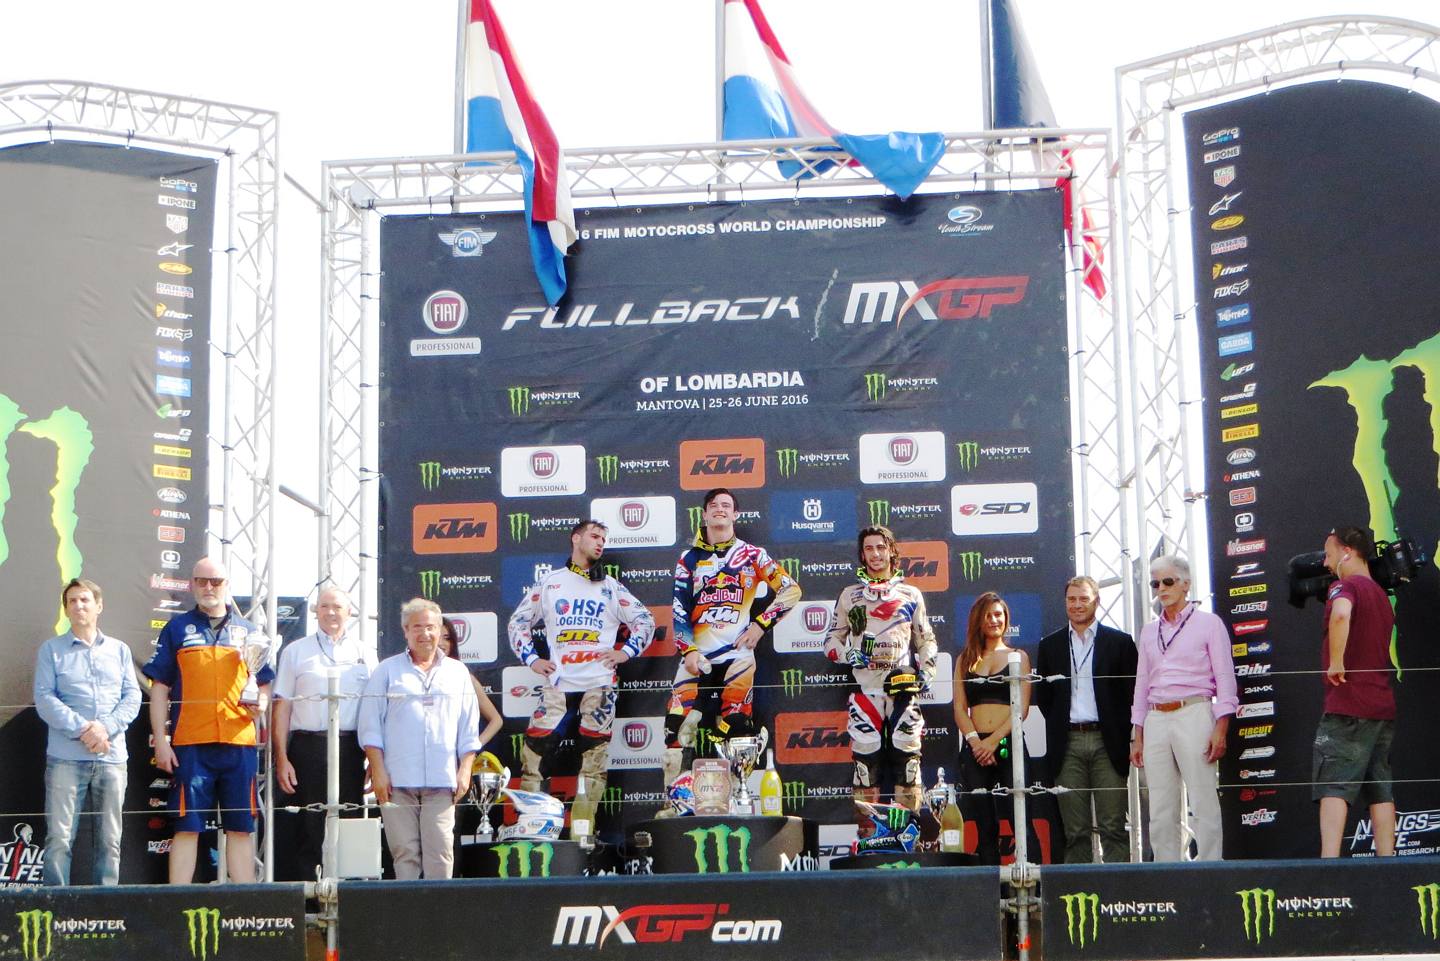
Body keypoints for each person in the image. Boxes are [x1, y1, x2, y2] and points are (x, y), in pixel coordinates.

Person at [143, 556, 272, 884]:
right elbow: (159, 687)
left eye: (216, 581)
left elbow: (264, 683)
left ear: (227, 585)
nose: (209, 587)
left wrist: (261, 702)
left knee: (240, 828)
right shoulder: (177, 628)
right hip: (191, 745)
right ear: (192, 585)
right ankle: (177, 902)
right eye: (202, 581)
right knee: (187, 827)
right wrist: (161, 740)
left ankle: (245, 904)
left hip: (238, 743)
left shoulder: (249, 632)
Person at [663, 488, 801, 789]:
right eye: (713, 505)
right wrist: (688, 650)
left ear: (735, 515)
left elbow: (791, 590)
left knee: (737, 729)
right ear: (704, 514)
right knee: (675, 729)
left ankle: (737, 798)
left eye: (726, 505)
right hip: (697, 655)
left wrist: (760, 625)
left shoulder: (752, 555)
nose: (720, 509)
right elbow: (679, 608)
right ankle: (673, 803)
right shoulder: (688, 559)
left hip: (738, 656)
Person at [507, 520, 654, 801]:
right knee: (536, 751)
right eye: (595, 536)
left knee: (594, 759)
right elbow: (518, 622)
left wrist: (626, 652)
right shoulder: (551, 582)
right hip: (559, 681)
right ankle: (533, 818)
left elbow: (645, 621)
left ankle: (584, 824)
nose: (600, 543)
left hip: (600, 682)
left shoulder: (610, 586)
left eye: (603, 540)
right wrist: (532, 658)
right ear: (576, 538)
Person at [358, 598, 480, 879]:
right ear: (405, 631)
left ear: (439, 630)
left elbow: (469, 727)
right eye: (417, 627)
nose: (425, 633)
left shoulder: (457, 672)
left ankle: (437, 908)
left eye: (430, 627)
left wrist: (465, 769)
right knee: (405, 854)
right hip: (397, 782)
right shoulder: (387, 670)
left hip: (442, 781)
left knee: (441, 853)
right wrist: (378, 770)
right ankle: (408, 908)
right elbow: (370, 725)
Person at [1128, 555, 1237, 862]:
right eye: (1155, 583)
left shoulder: (1209, 623)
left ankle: (1211, 870)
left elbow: (1225, 678)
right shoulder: (1149, 631)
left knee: (1203, 799)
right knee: (1160, 806)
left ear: (1186, 585)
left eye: (1168, 581)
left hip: (1195, 711)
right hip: (1155, 717)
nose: (1161, 589)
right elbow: (1141, 684)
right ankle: (1166, 874)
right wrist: (1138, 733)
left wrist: (1221, 727)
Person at [824, 525, 937, 821]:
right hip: (866, 691)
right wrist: (848, 654)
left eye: (881, 547)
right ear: (862, 555)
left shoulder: (910, 594)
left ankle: (908, 836)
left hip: (902, 691)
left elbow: (926, 640)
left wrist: (926, 672)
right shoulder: (850, 595)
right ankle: (868, 836)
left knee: (908, 766)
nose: (875, 554)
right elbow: (831, 641)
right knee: (864, 768)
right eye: (869, 548)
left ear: (891, 552)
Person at [34, 577, 141, 886]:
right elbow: (44, 698)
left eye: (85, 600)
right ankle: (55, 906)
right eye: (72, 601)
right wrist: (85, 730)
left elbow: (132, 697)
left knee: (110, 840)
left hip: (112, 759)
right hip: (65, 759)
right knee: (59, 839)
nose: (79, 605)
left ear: (99, 606)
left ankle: (105, 906)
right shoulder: (51, 650)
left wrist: (105, 728)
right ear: (66, 609)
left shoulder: (120, 650)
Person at [270, 586, 375, 881]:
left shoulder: (366, 654)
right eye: (325, 606)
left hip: (351, 749)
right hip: (307, 748)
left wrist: (374, 759)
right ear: (315, 611)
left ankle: (349, 893)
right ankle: (309, 897)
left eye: (338, 607)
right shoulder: (295, 651)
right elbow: (282, 707)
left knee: (351, 822)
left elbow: (375, 710)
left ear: (349, 612)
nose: (331, 612)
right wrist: (281, 757)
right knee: (309, 824)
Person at [1034, 575, 1137, 863]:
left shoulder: (1120, 642)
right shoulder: (1050, 645)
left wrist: (1121, 731)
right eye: (1071, 599)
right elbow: (1044, 698)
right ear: (1065, 602)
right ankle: (1077, 889)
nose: (1077, 605)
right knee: (1074, 830)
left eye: (1084, 599)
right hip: (1067, 744)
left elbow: (1132, 694)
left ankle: (1118, 887)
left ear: (1097, 602)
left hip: (1108, 743)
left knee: (1113, 826)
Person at [1314, 525, 1397, 858]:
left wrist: (1336, 661)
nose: (1325, 563)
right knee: (1380, 789)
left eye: (1329, 554)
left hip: (1348, 704)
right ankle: (1389, 861)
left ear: (1347, 552)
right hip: (1381, 705)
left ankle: (1329, 864)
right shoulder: (1382, 596)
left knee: (1333, 784)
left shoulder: (1344, 586)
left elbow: (1341, 615)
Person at [952, 592, 1039, 864]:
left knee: (1020, 818)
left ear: (1006, 619)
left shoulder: (1018, 657)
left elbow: (1021, 709)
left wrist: (992, 742)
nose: (994, 620)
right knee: (984, 823)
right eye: (988, 615)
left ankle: (1033, 883)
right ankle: (991, 885)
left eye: (998, 615)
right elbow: (959, 708)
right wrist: (976, 743)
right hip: (975, 747)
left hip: (1007, 743)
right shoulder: (965, 659)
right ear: (978, 620)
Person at [439, 616, 504, 750]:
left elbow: (496, 720)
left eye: (447, 638)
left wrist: (474, 746)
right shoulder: (414, 678)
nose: (442, 643)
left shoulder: (464, 677)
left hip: (458, 756)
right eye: (437, 637)